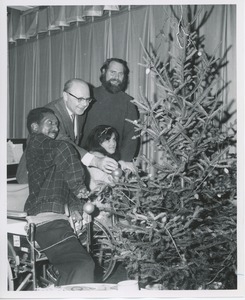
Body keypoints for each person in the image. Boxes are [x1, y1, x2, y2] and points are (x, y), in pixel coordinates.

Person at [24, 107, 95, 286]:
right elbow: (64, 149)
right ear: (34, 127)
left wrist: (76, 206)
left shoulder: (48, 152)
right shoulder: (37, 142)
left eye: (57, 124)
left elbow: (63, 178)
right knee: (82, 265)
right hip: (45, 220)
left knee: (77, 267)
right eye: (50, 123)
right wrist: (80, 188)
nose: (55, 128)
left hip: (52, 219)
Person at [16, 78, 118, 183]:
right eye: (80, 99)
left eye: (88, 99)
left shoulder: (79, 111)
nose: (85, 104)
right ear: (65, 96)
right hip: (36, 177)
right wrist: (95, 161)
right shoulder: (51, 113)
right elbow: (64, 142)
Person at [81, 58, 139, 162]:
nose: (116, 77)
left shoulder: (128, 102)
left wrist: (122, 163)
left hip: (114, 162)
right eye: (113, 72)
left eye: (120, 74)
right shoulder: (88, 95)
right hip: (87, 160)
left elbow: (132, 137)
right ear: (103, 72)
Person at [84, 125, 136, 191]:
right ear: (98, 142)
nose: (113, 143)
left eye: (114, 139)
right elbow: (109, 184)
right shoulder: (97, 157)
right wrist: (122, 164)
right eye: (107, 140)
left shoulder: (97, 155)